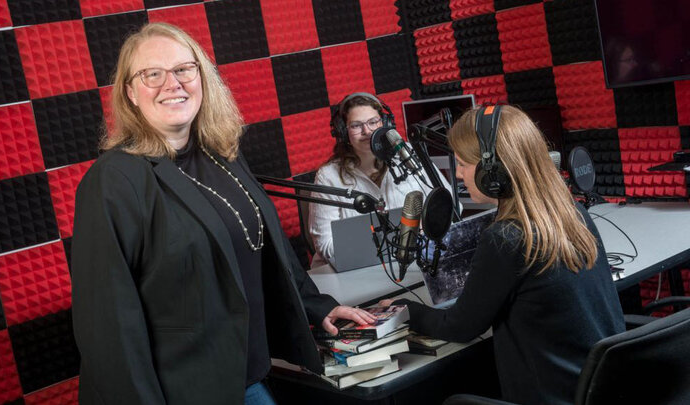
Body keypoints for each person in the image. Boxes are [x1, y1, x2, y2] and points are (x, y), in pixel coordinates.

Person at [71, 23, 376, 405]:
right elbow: (108, 327)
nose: (173, 84)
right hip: (182, 392)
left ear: (202, 77)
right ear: (130, 93)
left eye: (184, 69)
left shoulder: (223, 154)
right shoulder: (113, 180)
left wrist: (319, 307)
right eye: (152, 74)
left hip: (250, 377)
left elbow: (270, 250)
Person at [380, 105, 625, 405]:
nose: (457, 174)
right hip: (598, 391)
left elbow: (460, 326)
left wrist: (405, 309)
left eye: (462, 164)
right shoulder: (574, 212)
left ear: (492, 171)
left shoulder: (506, 238)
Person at [308, 92, 452, 268]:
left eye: (373, 122)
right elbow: (325, 245)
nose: (367, 131)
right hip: (354, 272)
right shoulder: (328, 176)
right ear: (343, 132)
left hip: (412, 263)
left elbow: (450, 203)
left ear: (385, 124)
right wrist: (386, 245)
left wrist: (427, 225)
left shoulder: (405, 153)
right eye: (356, 125)